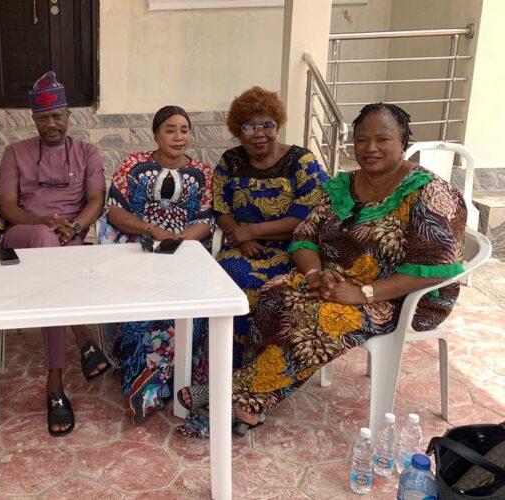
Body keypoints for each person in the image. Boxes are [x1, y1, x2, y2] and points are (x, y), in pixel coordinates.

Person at [179, 103, 467, 438]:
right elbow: (304, 236)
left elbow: (438, 269)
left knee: (322, 318)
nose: (370, 148)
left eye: (382, 139)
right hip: (335, 282)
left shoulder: (428, 192)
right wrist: (315, 274)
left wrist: (362, 293)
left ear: (403, 142)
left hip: (399, 297)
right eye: (361, 140)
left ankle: (242, 402)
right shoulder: (345, 186)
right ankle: (241, 391)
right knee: (273, 295)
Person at [0, 71, 110, 437]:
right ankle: (62, 371)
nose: (51, 124)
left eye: (57, 115)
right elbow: (8, 207)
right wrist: (44, 222)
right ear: (34, 119)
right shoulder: (15, 153)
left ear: (68, 116)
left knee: (57, 259)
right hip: (24, 235)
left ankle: (61, 375)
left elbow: (96, 200)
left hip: (71, 238)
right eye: (43, 117)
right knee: (47, 241)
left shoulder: (87, 152)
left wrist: (75, 227)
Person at [99, 105, 212, 422]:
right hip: (137, 247)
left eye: (184, 130)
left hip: (186, 250)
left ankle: (179, 382)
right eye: (170, 130)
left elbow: (206, 219)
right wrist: (153, 232)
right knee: (143, 311)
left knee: (188, 310)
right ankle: (145, 391)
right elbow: (116, 211)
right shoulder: (133, 164)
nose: (179, 137)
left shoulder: (203, 172)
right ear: (156, 134)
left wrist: (180, 242)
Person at [213, 87, 328, 367]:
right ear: (238, 131)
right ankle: (224, 364)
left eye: (267, 124)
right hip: (243, 248)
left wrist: (252, 231)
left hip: (294, 250)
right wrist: (240, 238)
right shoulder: (231, 161)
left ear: (278, 125)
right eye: (249, 126)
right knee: (225, 279)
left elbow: (307, 215)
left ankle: (261, 367)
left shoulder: (301, 162)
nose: (259, 133)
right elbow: (220, 207)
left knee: (273, 292)